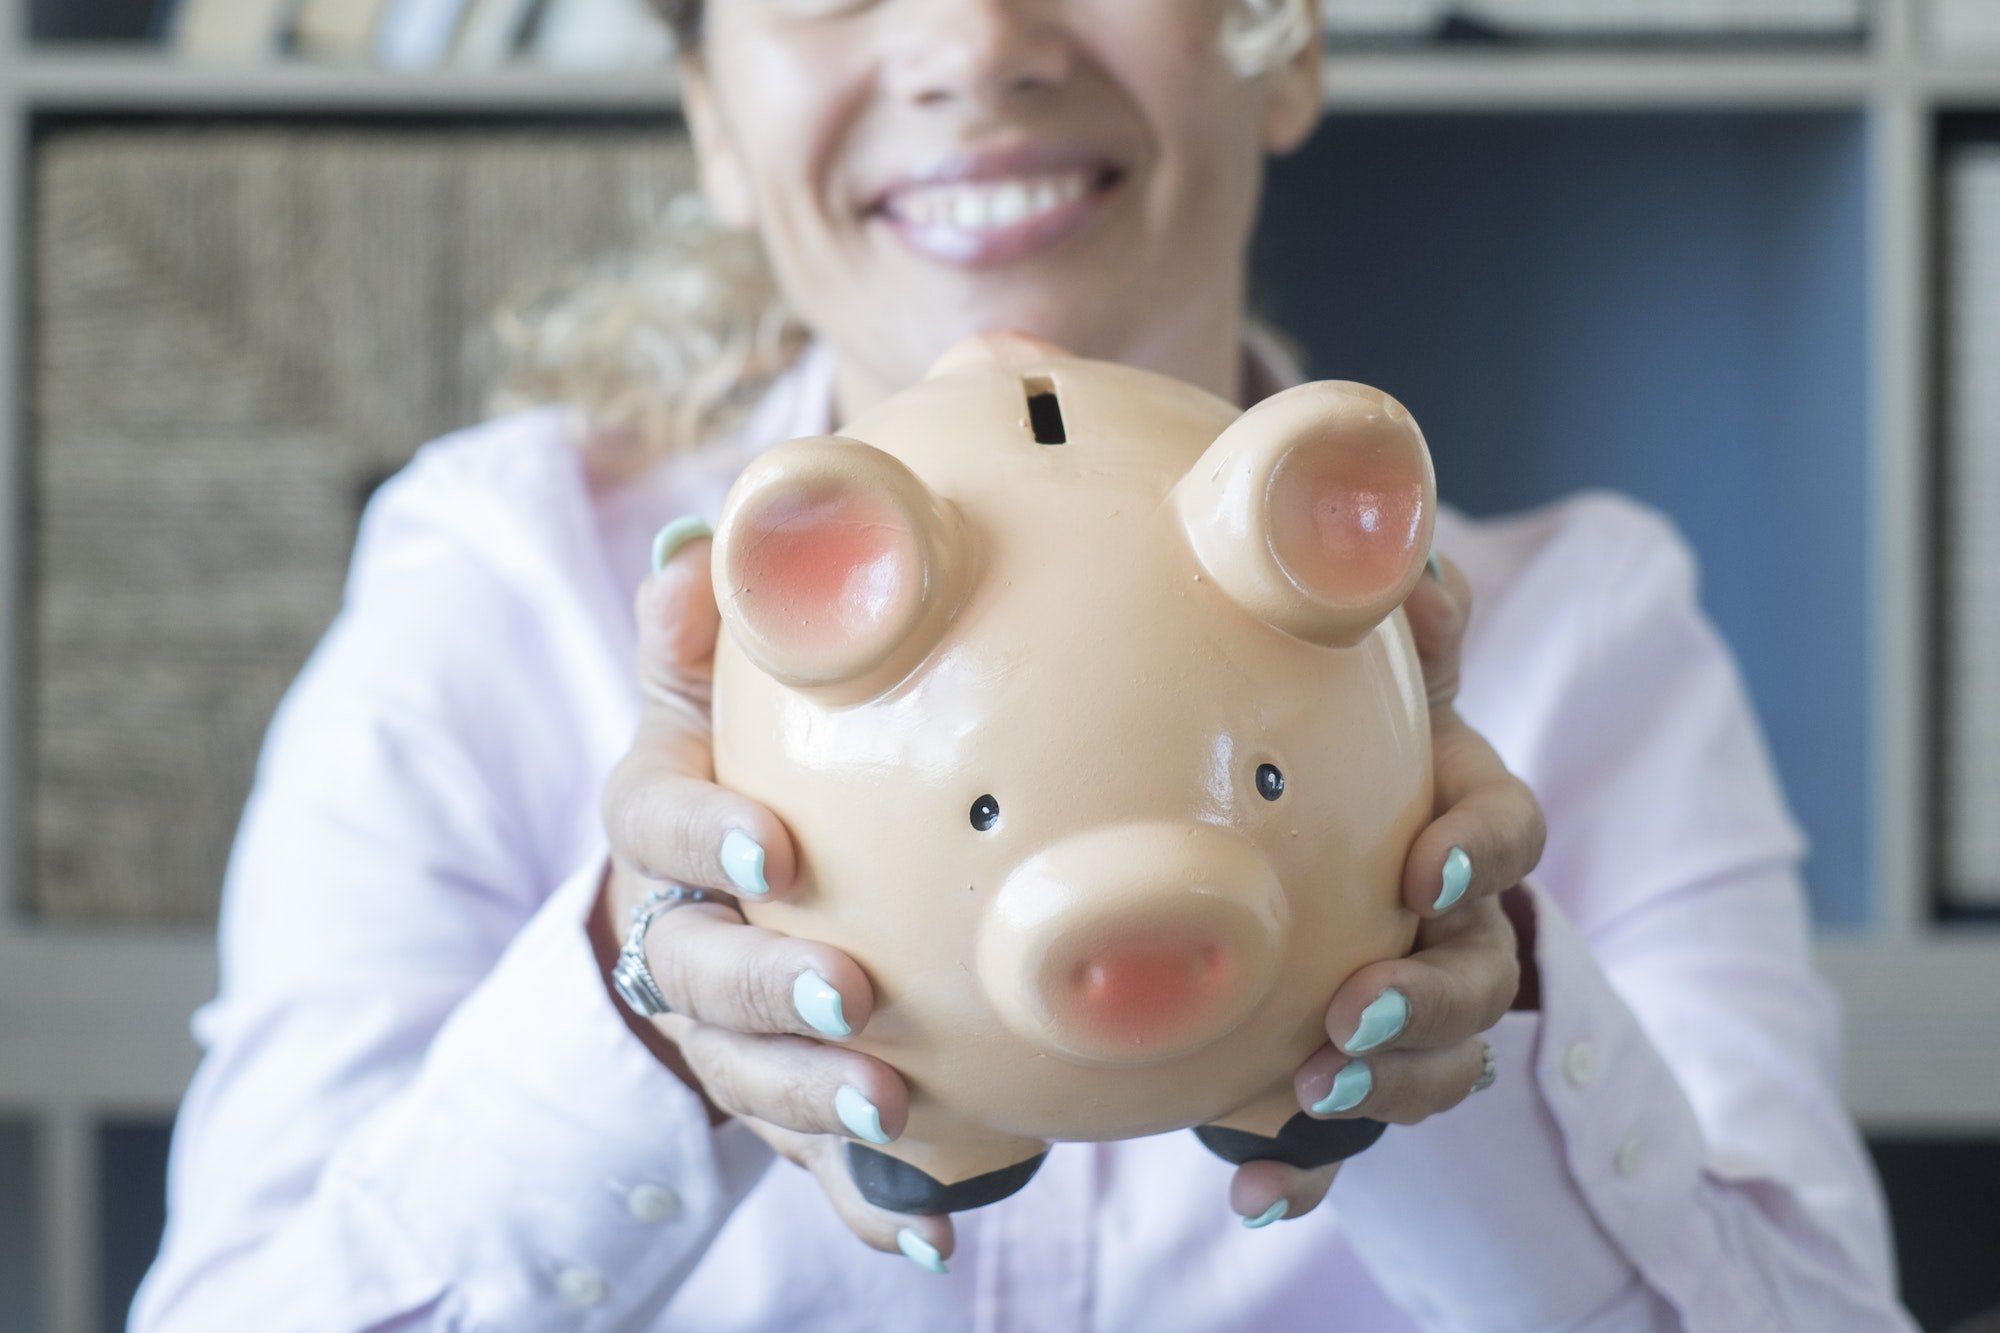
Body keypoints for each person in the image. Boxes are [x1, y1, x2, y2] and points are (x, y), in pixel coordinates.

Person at [133, 1, 1913, 1328]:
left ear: (1280, 39)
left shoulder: (1596, 636)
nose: (976, 45)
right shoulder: (495, 584)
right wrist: (633, 1001)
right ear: (717, 118)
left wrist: (1481, 1027)